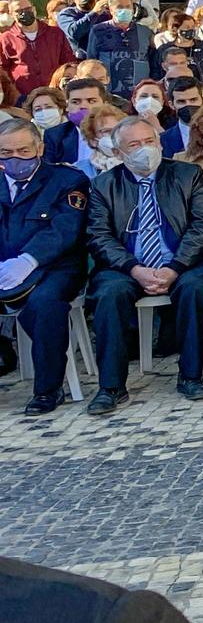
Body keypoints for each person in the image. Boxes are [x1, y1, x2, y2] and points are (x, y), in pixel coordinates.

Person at [84, 115, 203, 412]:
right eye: (134, 144)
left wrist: (175, 267)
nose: (145, 149)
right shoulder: (103, 185)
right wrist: (134, 268)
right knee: (108, 294)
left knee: (195, 288)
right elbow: (98, 236)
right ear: (118, 153)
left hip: (180, 263)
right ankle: (111, 386)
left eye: (149, 141)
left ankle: (191, 376)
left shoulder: (187, 175)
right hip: (127, 267)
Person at [0, 117, 92, 415]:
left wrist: (28, 260)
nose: (15, 159)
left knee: (44, 304)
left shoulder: (67, 180)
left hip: (55, 266)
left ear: (39, 148)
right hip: (4, 267)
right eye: (5, 153)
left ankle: (48, 390)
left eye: (23, 151)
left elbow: (65, 229)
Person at [0, 0, 74, 95]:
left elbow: (68, 61)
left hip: (53, 93)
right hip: (22, 95)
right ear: (11, 14)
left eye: (28, 9)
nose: (24, 13)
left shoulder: (55, 33)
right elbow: (3, 69)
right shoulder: (6, 38)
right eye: (19, 11)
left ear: (34, 9)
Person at [84, 0, 153, 97]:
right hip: (108, 94)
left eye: (128, 7)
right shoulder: (98, 30)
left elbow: (153, 59)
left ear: (133, 10)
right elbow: (91, 60)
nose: (124, 10)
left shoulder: (145, 31)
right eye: (119, 7)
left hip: (139, 94)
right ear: (111, 10)